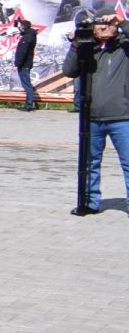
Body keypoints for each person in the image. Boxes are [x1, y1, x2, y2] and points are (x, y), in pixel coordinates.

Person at [64, 14, 128, 215]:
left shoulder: (124, 48)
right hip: (91, 117)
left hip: (123, 116)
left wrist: (122, 22)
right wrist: (75, 45)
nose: (105, 27)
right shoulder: (86, 49)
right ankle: (90, 203)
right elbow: (69, 70)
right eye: (101, 23)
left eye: (109, 23)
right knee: (89, 163)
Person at [15, 16, 40, 111]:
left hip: (24, 64)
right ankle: (30, 103)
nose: (19, 27)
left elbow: (23, 51)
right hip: (25, 63)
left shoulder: (27, 37)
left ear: (24, 27)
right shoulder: (29, 35)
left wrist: (18, 62)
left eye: (20, 25)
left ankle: (29, 104)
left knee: (26, 84)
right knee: (27, 84)